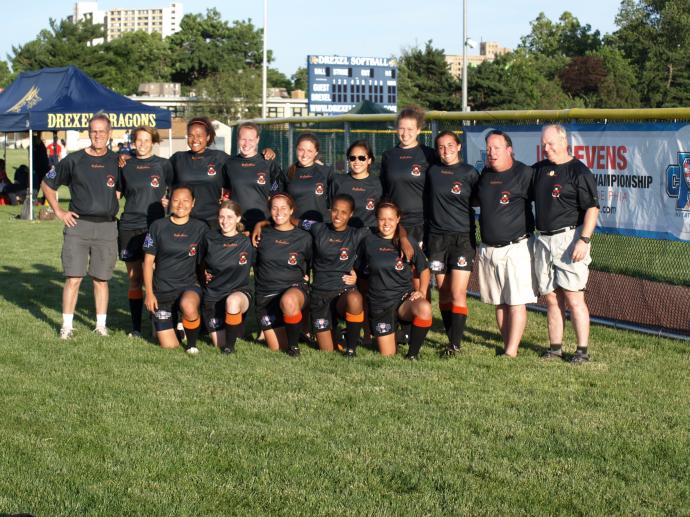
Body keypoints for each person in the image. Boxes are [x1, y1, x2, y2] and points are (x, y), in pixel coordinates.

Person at [41, 113, 120, 339]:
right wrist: (59, 211)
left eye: (102, 131)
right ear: (88, 132)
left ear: (109, 133)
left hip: (106, 227)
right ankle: (67, 326)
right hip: (78, 226)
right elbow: (47, 183)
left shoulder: (117, 161)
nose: (97, 135)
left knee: (101, 280)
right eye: (93, 131)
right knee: (73, 278)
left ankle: (100, 325)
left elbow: (122, 187)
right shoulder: (74, 160)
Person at [533, 124, 600, 364]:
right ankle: (555, 348)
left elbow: (592, 208)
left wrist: (584, 240)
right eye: (543, 145)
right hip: (543, 239)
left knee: (574, 297)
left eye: (551, 144)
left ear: (564, 142)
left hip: (569, 238)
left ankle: (582, 351)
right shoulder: (539, 170)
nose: (546, 149)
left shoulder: (578, 171)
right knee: (551, 297)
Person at [476, 130, 537, 357]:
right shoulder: (485, 174)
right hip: (489, 247)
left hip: (516, 247)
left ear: (509, 150)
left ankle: (511, 351)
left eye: (497, 148)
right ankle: (506, 345)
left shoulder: (524, 173)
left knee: (516, 301)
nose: (491, 153)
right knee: (499, 302)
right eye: (489, 148)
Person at [426, 130, 480, 356]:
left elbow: (479, 201)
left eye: (450, 145)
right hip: (437, 238)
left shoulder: (469, 173)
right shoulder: (433, 172)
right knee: (444, 291)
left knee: (458, 291)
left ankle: (455, 345)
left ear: (459, 147)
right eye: (440, 147)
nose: (445, 150)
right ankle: (451, 336)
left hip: (462, 238)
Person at [117, 125, 173, 338]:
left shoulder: (163, 165)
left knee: (156, 276)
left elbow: (176, 189)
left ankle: (157, 323)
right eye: (138, 140)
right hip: (129, 226)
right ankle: (136, 327)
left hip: (154, 226)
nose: (141, 144)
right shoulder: (125, 164)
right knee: (134, 279)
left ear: (154, 142)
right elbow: (117, 193)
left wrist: (169, 204)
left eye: (146, 140)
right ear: (133, 141)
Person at [358, 201, 432, 359]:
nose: (386, 223)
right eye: (382, 219)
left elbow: (424, 269)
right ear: (376, 219)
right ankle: (396, 334)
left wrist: (422, 291)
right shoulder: (368, 241)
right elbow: (359, 270)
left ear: (398, 219)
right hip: (380, 303)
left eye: (391, 219)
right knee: (388, 355)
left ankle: (412, 355)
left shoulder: (407, 242)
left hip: (403, 299)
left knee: (424, 308)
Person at [142, 185, 208, 353]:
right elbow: (148, 262)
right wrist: (149, 294)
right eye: (176, 200)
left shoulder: (201, 228)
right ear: (169, 202)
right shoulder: (158, 226)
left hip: (189, 286)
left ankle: (192, 345)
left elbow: (211, 255)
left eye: (186, 200)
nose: (181, 205)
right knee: (169, 346)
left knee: (188, 304)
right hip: (162, 289)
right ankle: (175, 323)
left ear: (193, 203)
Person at [253, 193, 312, 357]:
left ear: (292, 210)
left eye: (284, 208)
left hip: (293, 289)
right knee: (276, 347)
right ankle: (295, 330)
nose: (279, 212)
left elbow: (313, 263)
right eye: (274, 208)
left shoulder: (304, 237)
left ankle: (294, 348)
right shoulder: (261, 235)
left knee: (289, 301)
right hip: (266, 294)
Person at [199, 200, 254, 354]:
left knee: (233, 301)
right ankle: (234, 331)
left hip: (239, 293)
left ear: (238, 218)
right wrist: (203, 276)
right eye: (221, 217)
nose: (225, 221)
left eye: (230, 217)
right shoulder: (209, 238)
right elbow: (198, 263)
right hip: (213, 295)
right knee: (218, 342)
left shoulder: (247, 241)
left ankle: (230, 348)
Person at [380, 105, 436, 245]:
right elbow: (383, 190)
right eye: (401, 128)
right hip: (395, 222)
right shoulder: (389, 155)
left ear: (418, 130)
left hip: (421, 223)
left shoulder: (428, 154)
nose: (405, 133)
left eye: (410, 129)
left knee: (419, 266)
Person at [167, 117, 231, 227]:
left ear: (208, 137)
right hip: (183, 221)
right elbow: (155, 169)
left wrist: (266, 155)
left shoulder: (220, 158)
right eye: (191, 135)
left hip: (213, 221)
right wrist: (130, 157)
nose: (194, 139)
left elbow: (242, 168)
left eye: (199, 136)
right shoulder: (178, 158)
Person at [225, 122, 284, 232]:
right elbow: (225, 191)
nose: (246, 143)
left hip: (263, 223)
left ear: (257, 140)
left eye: (251, 139)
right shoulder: (229, 163)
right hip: (236, 224)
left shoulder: (268, 162)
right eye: (243, 139)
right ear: (238, 139)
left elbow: (278, 193)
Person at [329, 140, 383, 229]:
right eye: (352, 158)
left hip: (368, 235)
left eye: (361, 158)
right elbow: (330, 209)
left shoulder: (378, 184)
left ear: (369, 160)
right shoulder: (338, 181)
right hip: (344, 236)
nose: (357, 161)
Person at [285, 133, 334, 222]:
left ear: (316, 152)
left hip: (321, 227)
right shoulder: (288, 172)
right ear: (296, 149)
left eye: (309, 151)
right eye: (301, 150)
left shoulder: (326, 172)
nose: (304, 155)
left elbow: (336, 201)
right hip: (296, 227)